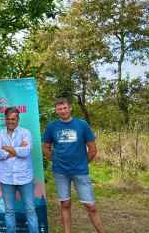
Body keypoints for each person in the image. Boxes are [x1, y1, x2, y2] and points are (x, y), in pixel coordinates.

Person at [43, 98, 105, 233]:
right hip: (60, 172)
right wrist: (56, 160)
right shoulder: (51, 127)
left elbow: (93, 149)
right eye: (59, 109)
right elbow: (46, 148)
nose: (63, 111)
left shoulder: (82, 125)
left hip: (80, 171)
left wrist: (82, 163)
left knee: (91, 206)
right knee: (65, 204)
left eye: (65, 108)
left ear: (70, 108)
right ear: (56, 111)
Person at [0, 107, 39, 233]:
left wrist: (7, 148)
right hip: (6, 178)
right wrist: (17, 149)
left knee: (30, 209)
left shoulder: (26, 133)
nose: (10, 121)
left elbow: (26, 152)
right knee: (9, 211)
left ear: (18, 119)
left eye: (13, 119)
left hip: (25, 177)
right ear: (5, 119)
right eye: (8, 119)